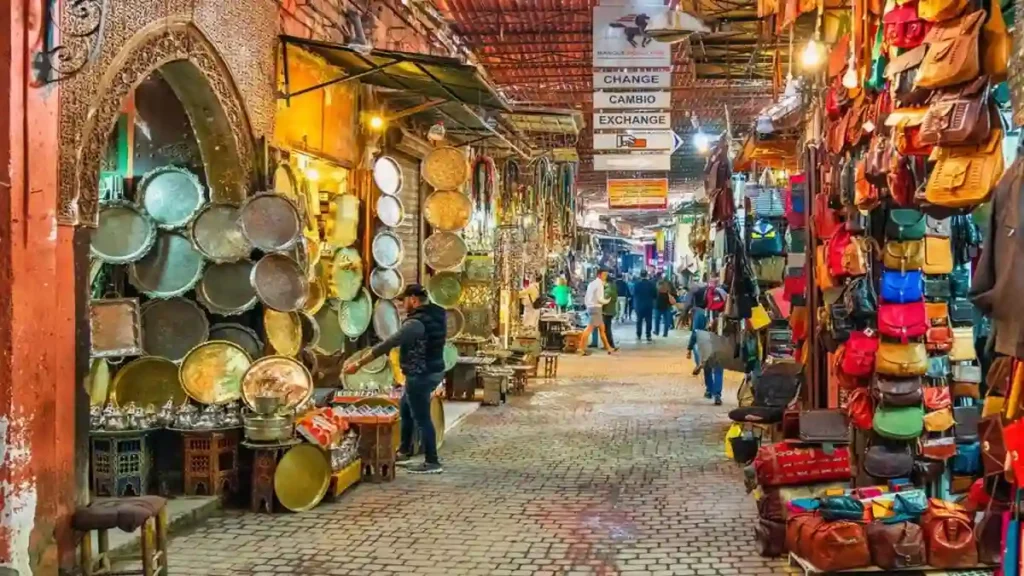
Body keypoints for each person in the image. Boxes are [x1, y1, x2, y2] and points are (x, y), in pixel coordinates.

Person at [343, 284, 446, 474]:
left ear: (413, 299)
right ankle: (405, 451)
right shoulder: (436, 316)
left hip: (420, 374)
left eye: (403, 300)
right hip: (431, 370)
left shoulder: (415, 324)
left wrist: (359, 364)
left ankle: (432, 461)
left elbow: (388, 344)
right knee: (405, 407)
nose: (401, 305)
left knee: (422, 417)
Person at [578, 269, 616, 355]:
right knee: (589, 329)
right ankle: (580, 348)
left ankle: (608, 348)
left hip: (592, 307)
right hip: (596, 308)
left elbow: (586, 297)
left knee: (602, 329)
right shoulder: (599, 285)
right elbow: (600, 298)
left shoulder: (592, 284)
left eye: (606, 275)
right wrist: (607, 301)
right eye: (604, 275)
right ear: (599, 275)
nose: (605, 277)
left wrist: (588, 305)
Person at [591, 273, 619, 348]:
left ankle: (610, 345)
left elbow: (603, 301)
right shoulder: (612, 287)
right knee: (606, 328)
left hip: (607, 311)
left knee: (606, 329)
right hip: (609, 310)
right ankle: (608, 344)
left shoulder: (608, 290)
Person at [632, 270, 657, 343]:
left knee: (639, 320)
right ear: (647, 275)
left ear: (640, 275)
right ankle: (648, 335)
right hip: (648, 305)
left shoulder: (637, 284)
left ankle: (639, 335)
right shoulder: (651, 284)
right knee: (648, 320)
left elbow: (634, 294)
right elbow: (655, 295)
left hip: (639, 305)